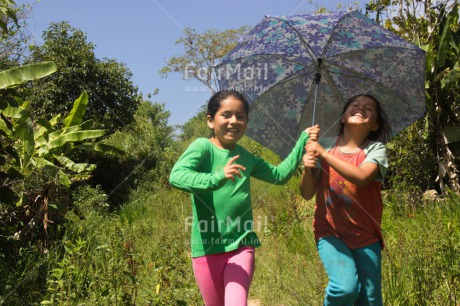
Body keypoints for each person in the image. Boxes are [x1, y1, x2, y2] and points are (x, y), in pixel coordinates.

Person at [169, 90, 319, 306]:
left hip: (241, 246)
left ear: (247, 122)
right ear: (211, 121)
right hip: (206, 249)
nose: (234, 122)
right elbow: (177, 176)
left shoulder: (246, 156)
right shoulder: (202, 148)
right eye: (226, 115)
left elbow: (279, 176)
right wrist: (217, 178)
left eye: (240, 116)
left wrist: (303, 140)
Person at [300, 94, 391, 306]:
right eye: (355, 105)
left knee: (369, 301)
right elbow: (307, 193)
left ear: (375, 124)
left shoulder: (375, 150)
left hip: (366, 235)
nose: (361, 108)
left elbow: (362, 177)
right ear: (343, 118)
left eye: (369, 108)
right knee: (344, 288)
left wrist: (322, 152)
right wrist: (308, 166)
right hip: (329, 231)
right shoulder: (324, 146)